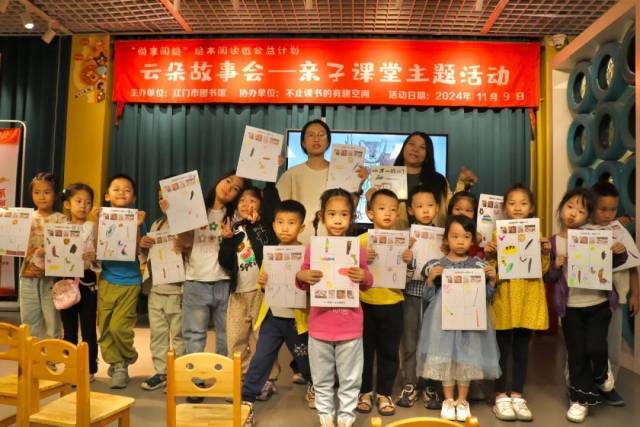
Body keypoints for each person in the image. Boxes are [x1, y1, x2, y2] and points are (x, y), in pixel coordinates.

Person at [544, 188, 627, 423]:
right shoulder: (553, 242)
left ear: (588, 216)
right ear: (561, 208)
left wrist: (618, 252)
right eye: (570, 207)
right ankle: (579, 400)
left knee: (596, 347)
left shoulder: (597, 235)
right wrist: (555, 265)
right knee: (576, 353)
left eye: (581, 211)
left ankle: (601, 373)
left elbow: (615, 262)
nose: (573, 213)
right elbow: (548, 277)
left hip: (599, 303)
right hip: (570, 308)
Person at [296, 188, 373, 427]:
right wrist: (302, 276)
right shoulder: (313, 248)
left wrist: (363, 276)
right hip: (320, 326)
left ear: (352, 217)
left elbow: (368, 282)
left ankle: (346, 417)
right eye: (332, 214)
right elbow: (302, 279)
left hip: (350, 327)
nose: (337, 220)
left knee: (350, 378)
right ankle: (326, 417)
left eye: (343, 214)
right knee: (321, 378)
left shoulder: (357, 249)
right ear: (322, 216)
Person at [418, 215, 501, 422]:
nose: (460, 241)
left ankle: (463, 400)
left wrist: (492, 282)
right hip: (442, 321)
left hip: (469, 322)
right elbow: (428, 297)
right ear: (446, 239)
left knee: (466, 357)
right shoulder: (438, 264)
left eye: (465, 236)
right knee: (445, 357)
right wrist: (430, 279)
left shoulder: (478, 265)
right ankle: (448, 400)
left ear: (472, 240)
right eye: (455, 236)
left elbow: (485, 298)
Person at [241, 200, 314, 425]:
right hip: (272, 317)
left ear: (301, 227)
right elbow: (263, 286)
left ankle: (315, 385)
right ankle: (246, 400)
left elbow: (313, 287)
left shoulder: (307, 254)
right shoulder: (270, 254)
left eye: (291, 223)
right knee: (261, 358)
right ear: (273, 225)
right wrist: (263, 283)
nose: (285, 228)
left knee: (305, 360)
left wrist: (306, 280)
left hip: (297, 319)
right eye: (280, 222)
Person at [176, 170, 245, 402]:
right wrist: (174, 215)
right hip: (196, 280)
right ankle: (196, 382)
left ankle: (223, 381)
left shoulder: (234, 215)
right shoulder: (197, 210)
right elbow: (184, 242)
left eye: (236, 188)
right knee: (194, 335)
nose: (229, 188)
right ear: (218, 180)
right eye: (228, 181)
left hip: (224, 282)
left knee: (227, 336)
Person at [484, 184, 550, 421]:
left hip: (528, 299)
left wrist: (545, 252)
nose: (518, 208)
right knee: (502, 350)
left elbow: (543, 270)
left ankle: (517, 395)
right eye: (512, 203)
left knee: (522, 349)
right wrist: (489, 254)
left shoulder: (537, 235)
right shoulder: (497, 235)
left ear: (531, 207)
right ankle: (500, 396)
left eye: (523, 203)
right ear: (504, 208)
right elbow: (491, 271)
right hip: (505, 298)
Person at [218, 184, 279, 399]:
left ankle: (269, 379)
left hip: (261, 293)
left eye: (252, 200)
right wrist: (227, 240)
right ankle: (241, 378)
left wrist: (258, 224)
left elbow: (271, 246)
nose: (246, 204)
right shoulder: (233, 228)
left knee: (264, 339)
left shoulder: (265, 225)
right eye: (242, 201)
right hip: (238, 294)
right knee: (236, 339)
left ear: (260, 204)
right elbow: (225, 262)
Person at [356, 189, 411, 417]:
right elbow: (348, 270)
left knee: (389, 351)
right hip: (365, 302)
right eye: (381, 208)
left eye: (392, 209)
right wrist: (361, 258)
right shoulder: (360, 241)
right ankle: (364, 391)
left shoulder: (403, 241)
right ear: (370, 213)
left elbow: (409, 274)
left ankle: (384, 393)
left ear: (398, 214)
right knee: (364, 350)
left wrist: (409, 260)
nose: (387, 213)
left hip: (393, 302)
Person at [276, 119, 367, 244]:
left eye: (321, 135)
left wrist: (358, 184)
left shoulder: (340, 172)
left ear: (328, 142)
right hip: (299, 244)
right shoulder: (291, 174)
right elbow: (279, 211)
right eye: (311, 135)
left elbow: (350, 208)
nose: (316, 139)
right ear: (303, 143)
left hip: (333, 243)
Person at [587, 181, 637, 405]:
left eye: (613, 209)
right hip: (590, 297)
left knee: (612, 342)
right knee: (590, 342)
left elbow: (633, 264)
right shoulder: (584, 231)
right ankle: (584, 383)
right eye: (602, 209)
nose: (608, 214)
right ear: (591, 207)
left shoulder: (620, 231)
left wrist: (635, 294)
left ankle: (609, 384)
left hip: (616, 298)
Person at [97, 173, 146, 389]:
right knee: (106, 328)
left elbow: (137, 251)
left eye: (127, 190)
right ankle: (118, 365)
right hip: (107, 279)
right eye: (116, 189)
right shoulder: (101, 217)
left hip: (130, 281)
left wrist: (137, 225)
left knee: (119, 327)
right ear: (107, 195)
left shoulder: (138, 219)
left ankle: (128, 355)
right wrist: (95, 221)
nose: (121, 193)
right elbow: (95, 247)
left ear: (133, 197)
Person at [397, 184, 443, 409]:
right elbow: (395, 270)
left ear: (437, 208)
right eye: (419, 206)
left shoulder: (444, 236)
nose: (425, 210)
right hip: (411, 295)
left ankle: (431, 385)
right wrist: (404, 253)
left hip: (435, 296)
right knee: (410, 340)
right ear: (410, 210)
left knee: (434, 340)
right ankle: (410, 383)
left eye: (430, 205)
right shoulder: (405, 237)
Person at [138, 185, 185, 391]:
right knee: (157, 334)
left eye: (168, 197)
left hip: (178, 289)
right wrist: (143, 245)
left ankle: (180, 373)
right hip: (156, 287)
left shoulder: (186, 225)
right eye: (160, 198)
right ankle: (161, 372)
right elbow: (148, 256)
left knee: (180, 335)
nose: (163, 202)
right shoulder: (156, 224)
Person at [391, 131, 476, 228]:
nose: (415, 149)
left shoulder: (438, 180)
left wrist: (463, 184)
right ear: (404, 148)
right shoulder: (387, 178)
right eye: (411, 144)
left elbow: (452, 207)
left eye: (422, 147)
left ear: (427, 154)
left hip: (434, 236)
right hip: (394, 235)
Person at [59, 183, 100, 382]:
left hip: (87, 279)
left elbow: (101, 252)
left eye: (88, 202)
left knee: (88, 328)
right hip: (64, 280)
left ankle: (89, 368)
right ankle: (70, 366)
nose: (83, 205)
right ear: (67, 204)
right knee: (68, 329)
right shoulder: (60, 227)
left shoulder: (92, 226)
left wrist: (94, 256)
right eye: (78, 201)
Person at [19, 172, 67, 339]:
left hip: (51, 278)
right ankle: (31, 351)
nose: (41, 196)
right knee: (29, 319)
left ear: (55, 194)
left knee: (53, 320)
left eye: (47, 192)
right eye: (37, 192)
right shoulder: (26, 218)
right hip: (28, 274)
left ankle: (53, 352)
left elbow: (66, 247)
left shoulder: (61, 219)